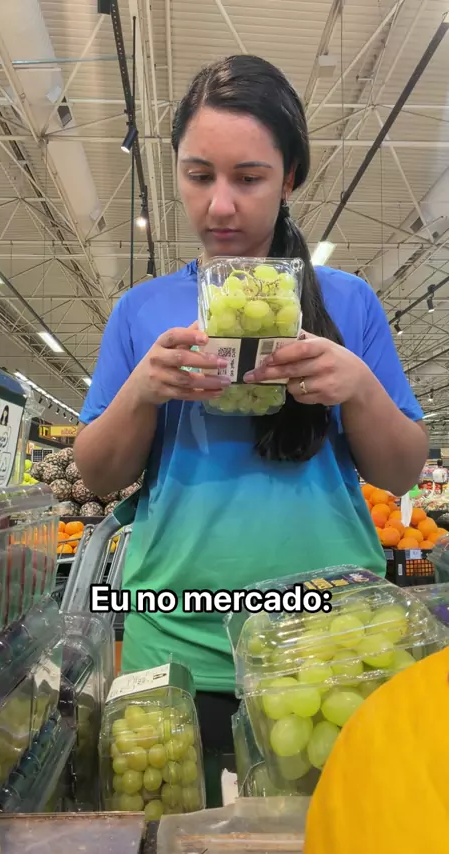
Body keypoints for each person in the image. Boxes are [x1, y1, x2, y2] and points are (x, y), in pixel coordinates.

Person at [75, 55, 427, 770]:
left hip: (328, 640)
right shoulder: (140, 311)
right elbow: (98, 475)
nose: (220, 206)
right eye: (199, 175)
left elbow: (401, 472)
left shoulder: (348, 301)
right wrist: (142, 391)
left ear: (289, 177)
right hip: (177, 641)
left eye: (249, 177)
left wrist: (359, 387)